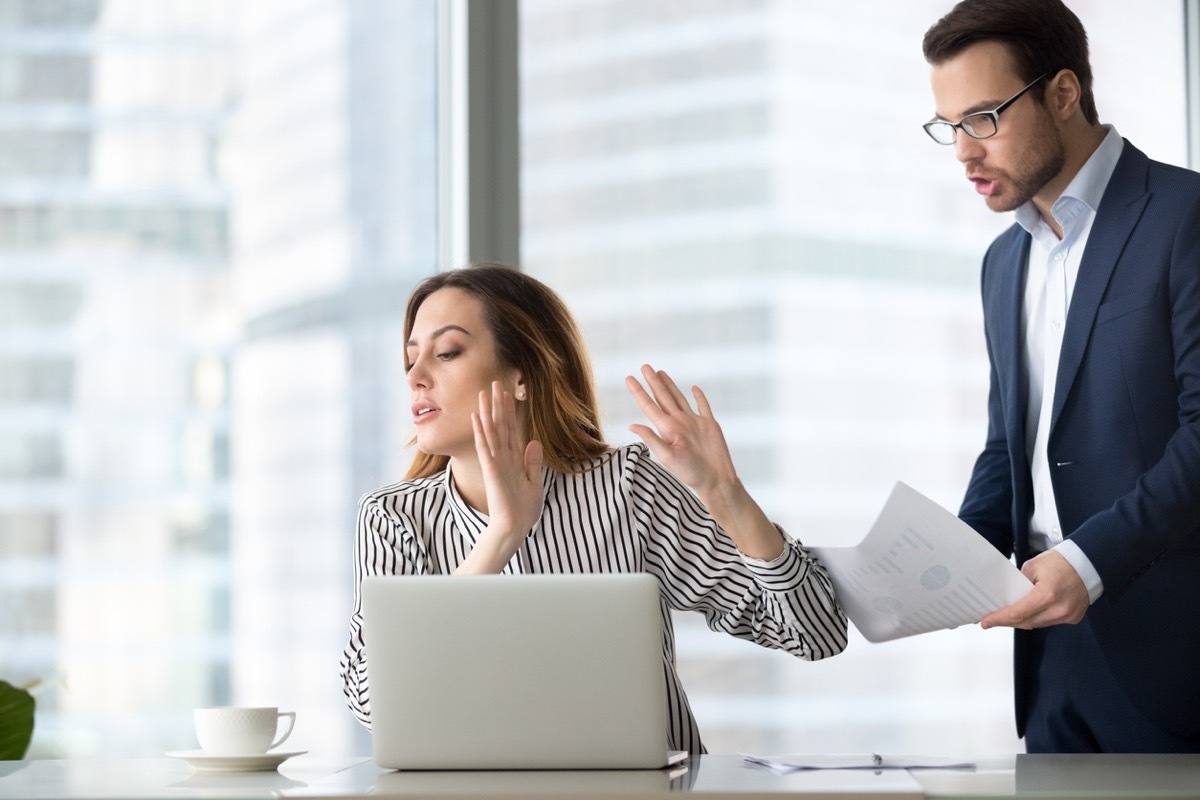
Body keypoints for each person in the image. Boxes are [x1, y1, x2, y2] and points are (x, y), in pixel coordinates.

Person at [338, 263, 847, 754]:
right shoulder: (394, 517)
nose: (415, 377)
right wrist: (501, 535)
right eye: (411, 359)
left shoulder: (628, 487)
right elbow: (373, 704)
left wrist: (725, 493)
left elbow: (816, 632)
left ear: (521, 376)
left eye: (446, 352)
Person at [922, 0, 1200, 752]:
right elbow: (1008, 446)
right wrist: (941, 561)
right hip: (1049, 662)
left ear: (1064, 94)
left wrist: (1088, 561)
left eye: (983, 118)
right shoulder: (1001, 263)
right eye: (949, 127)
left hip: (1173, 650)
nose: (963, 153)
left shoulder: (1185, 216)